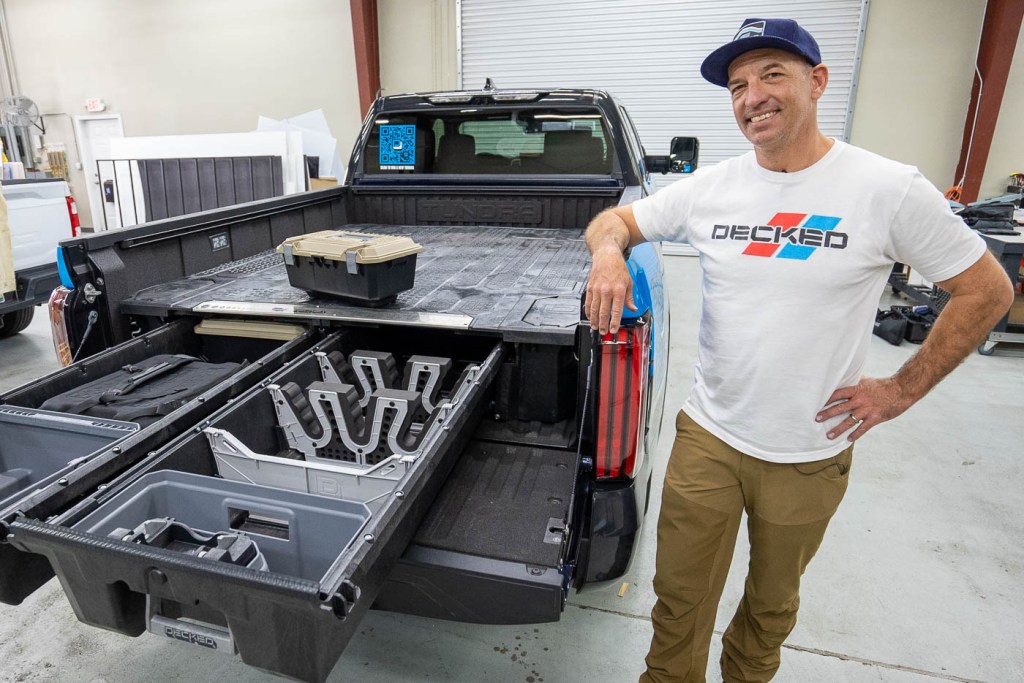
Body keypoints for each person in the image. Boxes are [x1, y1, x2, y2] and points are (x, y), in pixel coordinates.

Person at [582, 17, 1014, 683]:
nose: (752, 96)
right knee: (678, 605)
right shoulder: (712, 188)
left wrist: (901, 389)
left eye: (772, 75)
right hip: (709, 438)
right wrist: (609, 252)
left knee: (769, 611)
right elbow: (614, 220)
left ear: (817, 82)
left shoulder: (887, 188)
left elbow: (987, 290)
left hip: (809, 452)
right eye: (737, 86)